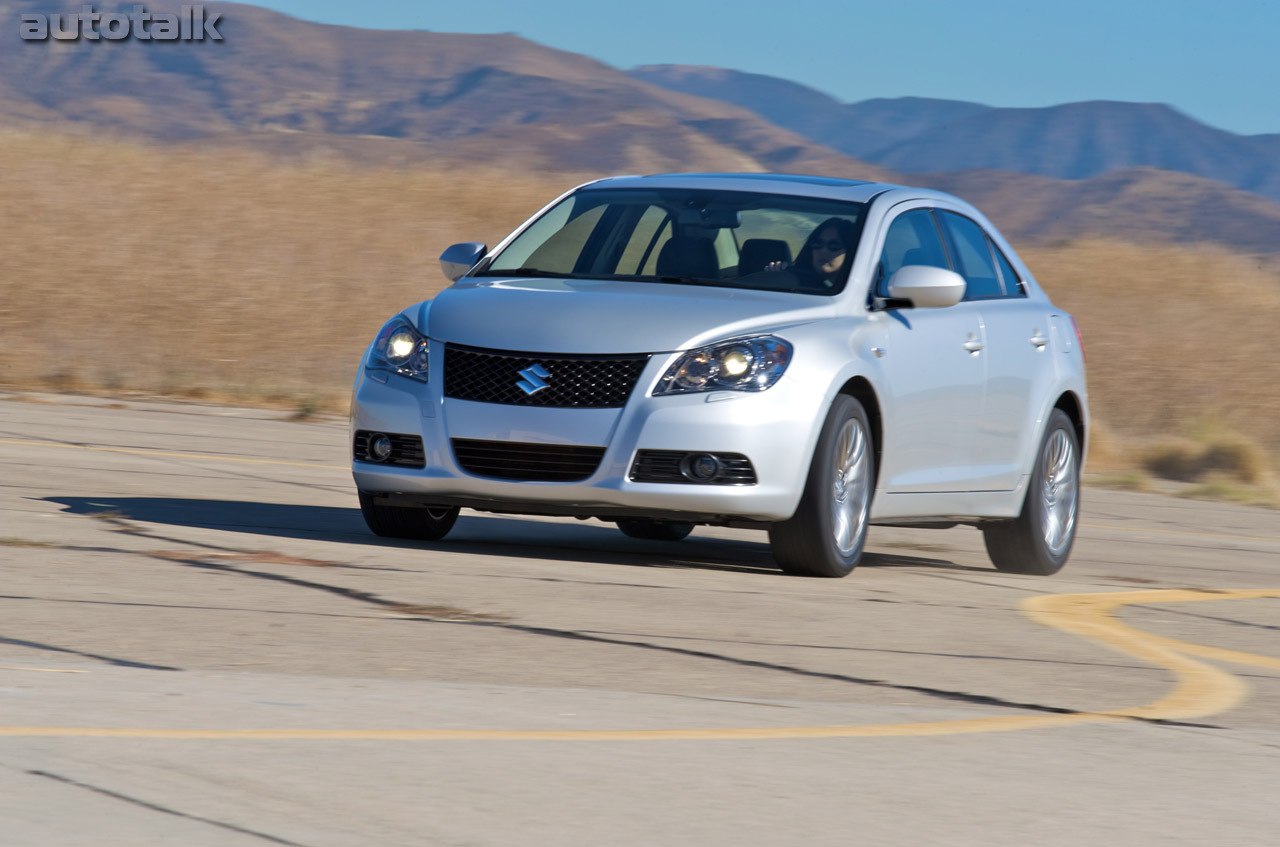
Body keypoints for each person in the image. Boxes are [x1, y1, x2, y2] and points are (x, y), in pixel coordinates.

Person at [766, 217, 857, 289]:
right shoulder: (792, 281)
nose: (823, 250)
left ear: (851, 251)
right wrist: (775, 278)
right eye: (818, 243)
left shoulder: (859, 294)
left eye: (833, 246)